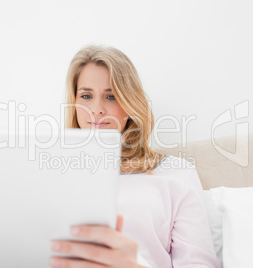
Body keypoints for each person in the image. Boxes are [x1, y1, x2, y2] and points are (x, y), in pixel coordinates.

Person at [48, 44, 221, 268]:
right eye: (86, 95)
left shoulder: (175, 174)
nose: (97, 109)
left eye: (111, 96)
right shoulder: (52, 174)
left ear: (130, 103)